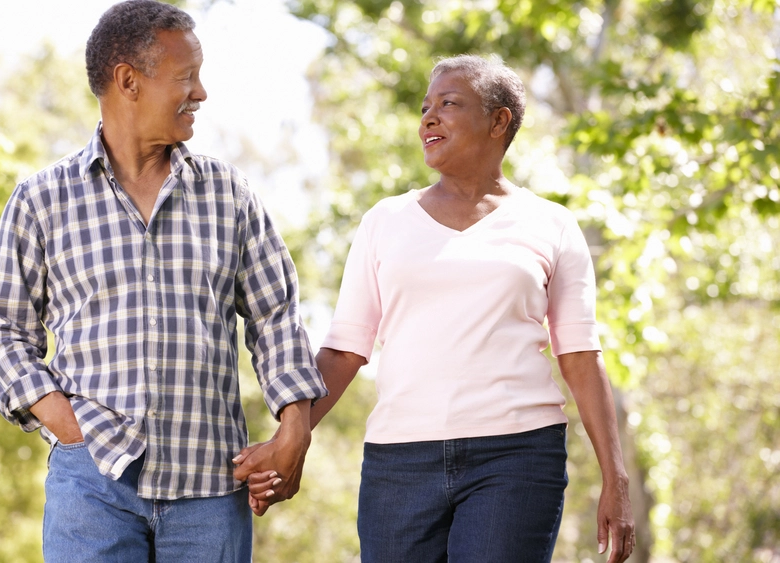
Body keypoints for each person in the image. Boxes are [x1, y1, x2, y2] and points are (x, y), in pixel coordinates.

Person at [0, 1, 327, 561]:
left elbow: (275, 315)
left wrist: (294, 425)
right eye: (187, 77)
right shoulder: (42, 200)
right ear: (128, 81)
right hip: (92, 484)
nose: (202, 92)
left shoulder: (228, 194)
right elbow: (1, 325)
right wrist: (64, 421)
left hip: (210, 488)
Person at [262, 54, 635, 562]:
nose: (428, 118)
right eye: (425, 107)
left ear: (499, 121)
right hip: (399, 463)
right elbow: (345, 350)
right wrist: (292, 435)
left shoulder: (551, 225)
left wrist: (616, 480)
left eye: (449, 104)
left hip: (516, 456)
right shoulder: (384, 221)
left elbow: (580, 355)